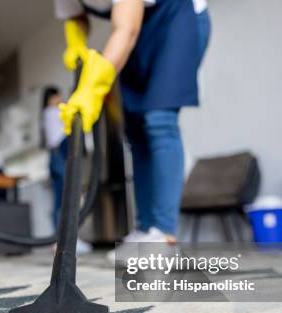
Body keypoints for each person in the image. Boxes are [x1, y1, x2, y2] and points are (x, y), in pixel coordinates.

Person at [53, 0, 210, 257]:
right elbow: (76, 14)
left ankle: (163, 234)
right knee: (135, 130)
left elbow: (126, 30)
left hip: (175, 20)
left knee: (159, 120)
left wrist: (94, 87)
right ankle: (145, 229)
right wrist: (76, 44)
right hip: (135, 32)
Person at [41, 86, 92, 255]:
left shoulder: (45, 114)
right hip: (61, 157)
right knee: (68, 198)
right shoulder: (53, 112)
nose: (60, 100)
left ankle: (60, 240)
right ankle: (68, 241)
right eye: (57, 97)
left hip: (54, 159)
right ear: (50, 98)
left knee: (59, 201)